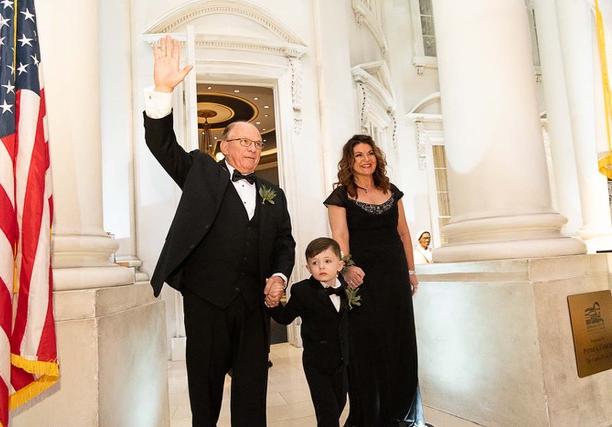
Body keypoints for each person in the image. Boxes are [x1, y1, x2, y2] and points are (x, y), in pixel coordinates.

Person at [143, 35, 296, 427]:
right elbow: (162, 144)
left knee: (252, 389)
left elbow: (284, 242)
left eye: (258, 143)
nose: (253, 148)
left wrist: (280, 276)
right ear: (224, 147)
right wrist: (162, 90)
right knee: (205, 390)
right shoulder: (200, 171)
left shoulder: (274, 194)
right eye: (244, 141)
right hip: (206, 301)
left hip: (254, 305)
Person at [324, 134, 424, 426]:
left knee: (398, 340)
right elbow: (340, 236)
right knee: (367, 344)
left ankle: (400, 412)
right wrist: (346, 268)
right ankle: (370, 416)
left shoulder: (391, 190)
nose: (366, 159)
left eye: (370, 153)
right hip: (362, 278)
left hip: (394, 275)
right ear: (350, 161)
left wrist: (410, 271)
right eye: (359, 155)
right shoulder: (341, 195)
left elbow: (403, 233)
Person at [268, 237, 349, 427]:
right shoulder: (302, 291)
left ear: (339, 265)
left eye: (327, 261)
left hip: (343, 362)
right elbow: (286, 317)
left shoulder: (348, 289)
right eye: (315, 263)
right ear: (308, 268)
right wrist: (272, 303)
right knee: (326, 410)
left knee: (339, 403)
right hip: (317, 362)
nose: (321, 267)